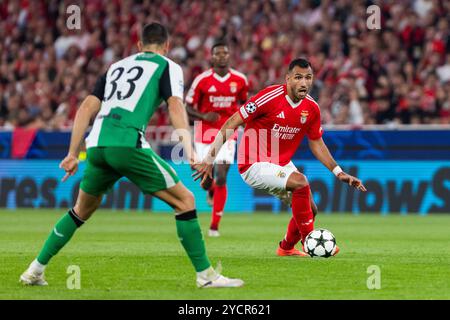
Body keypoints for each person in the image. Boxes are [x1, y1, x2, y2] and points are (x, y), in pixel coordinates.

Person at [19, 23, 243, 288]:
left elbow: (86, 107)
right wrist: (190, 150)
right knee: (186, 201)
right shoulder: (167, 66)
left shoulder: (115, 67)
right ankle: (206, 276)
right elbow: (175, 106)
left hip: (97, 146)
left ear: (139, 46)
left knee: (80, 211)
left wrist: (72, 153)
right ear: (167, 46)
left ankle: (34, 270)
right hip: (127, 143)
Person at [194, 58, 367, 256]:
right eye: (298, 77)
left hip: (280, 163)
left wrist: (338, 172)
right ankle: (310, 243)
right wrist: (209, 159)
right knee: (301, 182)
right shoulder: (269, 97)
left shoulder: (311, 108)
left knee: (311, 210)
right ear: (288, 79)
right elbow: (232, 122)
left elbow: (316, 142)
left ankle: (285, 248)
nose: (304, 82)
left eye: (308, 78)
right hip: (253, 163)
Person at [185, 41, 249, 237]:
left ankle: (214, 226)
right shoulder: (201, 80)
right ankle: (210, 189)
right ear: (211, 57)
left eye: (225, 53)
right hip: (204, 133)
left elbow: (245, 105)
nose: (222, 56)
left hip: (228, 132)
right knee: (206, 180)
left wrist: (246, 124)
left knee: (221, 175)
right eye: (217, 53)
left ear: (229, 56)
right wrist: (204, 116)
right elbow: (186, 107)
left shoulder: (240, 80)